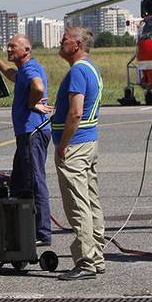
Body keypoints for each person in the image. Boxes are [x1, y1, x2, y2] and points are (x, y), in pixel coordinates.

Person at [51, 27, 105, 280]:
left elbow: (75, 112)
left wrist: (62, 145)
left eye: (65, 41)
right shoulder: (91, 69)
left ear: (78, 44)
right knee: (91, 201)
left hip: (75, 146)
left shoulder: (77, 72)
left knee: (77, 204)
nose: (61, 44)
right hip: (89, 144)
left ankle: (86, 262)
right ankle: (97, 257)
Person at [0, 35, 53, 245]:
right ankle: (19, 228)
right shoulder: (25, 69)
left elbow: (38, 87)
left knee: (35, 181)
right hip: (26, 133)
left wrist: (33, 104)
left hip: (32, 133)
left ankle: (42, 234)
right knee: (18, 182)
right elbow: (13, 74)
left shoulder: (30, 69)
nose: (9, 49)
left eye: (13, 46)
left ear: (26, 49)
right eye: (8, 46)